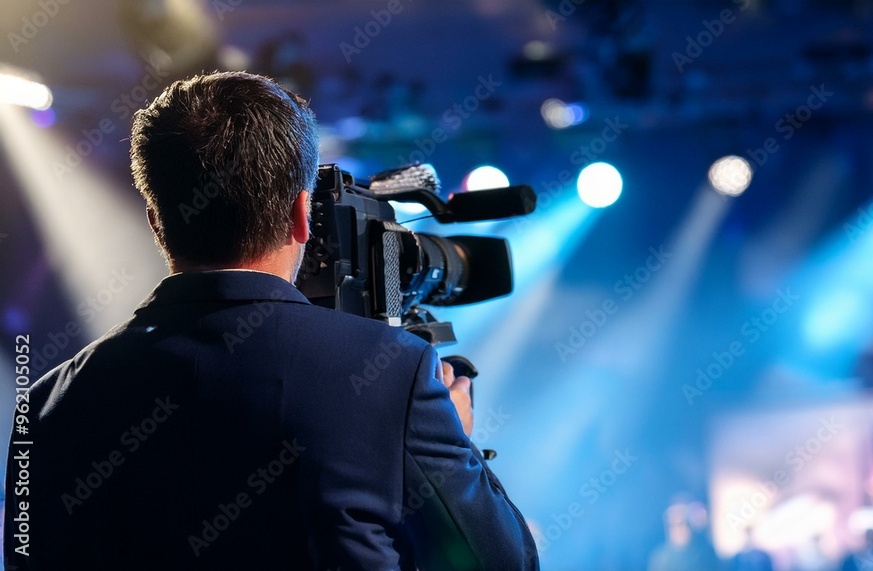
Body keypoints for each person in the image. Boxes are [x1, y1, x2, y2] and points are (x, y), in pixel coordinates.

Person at [4, 71, 538, 570]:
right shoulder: (394, 375)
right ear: (302, 214)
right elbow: (501, 562)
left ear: (156, 222)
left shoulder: (47, 405)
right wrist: (458, 446)